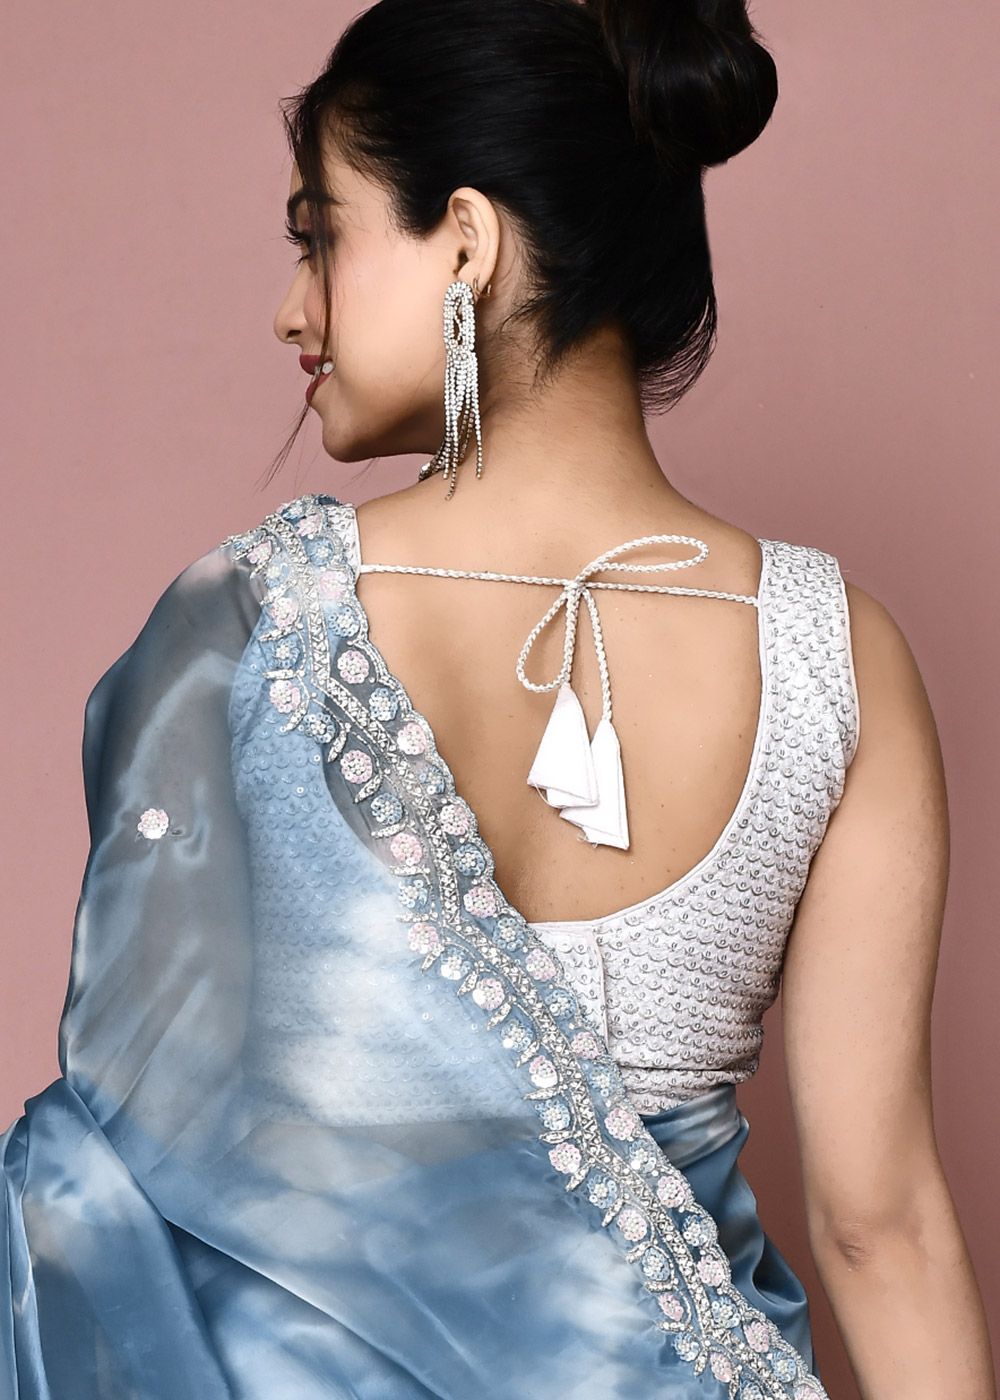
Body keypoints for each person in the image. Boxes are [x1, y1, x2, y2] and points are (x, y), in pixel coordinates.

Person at [3, 1, 993, 1397]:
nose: (292, 308)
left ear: (466, 242)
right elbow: (879, 1227)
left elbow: (129, 1168)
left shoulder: (252, 628)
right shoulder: (837, 654)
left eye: (320, 237)